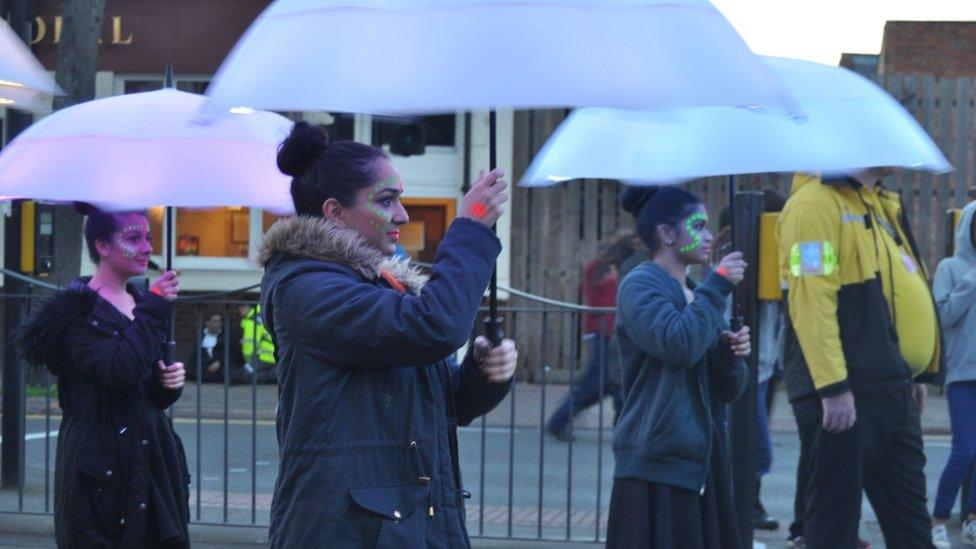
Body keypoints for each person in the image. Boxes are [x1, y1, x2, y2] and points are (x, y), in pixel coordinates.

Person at [259, 122, 519, 548]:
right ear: (334, 212)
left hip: (407, 525)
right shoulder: (306, 289)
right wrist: (471, 226)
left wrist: (481, 374)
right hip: (348, 532)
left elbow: (441, 406)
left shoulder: (380, 286)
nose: (403, 214)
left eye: (399, 199)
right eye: (386, 200)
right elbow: (436, 326)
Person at [777, 170, 940, 549]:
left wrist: (916, 372)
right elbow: (812, 298)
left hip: (889, 383)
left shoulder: (877, 203)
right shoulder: (814, 205)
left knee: (912, 527)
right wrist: (833, 386)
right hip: (848, 389)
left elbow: (895, 294)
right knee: (833, 523)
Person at [20, 203, 189, 548]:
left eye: (148, 237)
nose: (146, 247)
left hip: (148, 459)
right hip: (101, 470)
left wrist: (166, 383)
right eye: (132, 238)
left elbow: (143, 386)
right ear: (102, 246)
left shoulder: (140, 302)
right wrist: (155, 307)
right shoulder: (78, 314)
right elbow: (118, 370)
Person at [606, 186, 752, 549]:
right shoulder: (640, 285)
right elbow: (678, 345)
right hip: (657, 463)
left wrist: (731, 353)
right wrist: (717, 285)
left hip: (701, 460)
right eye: (698, 226)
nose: (707, 236)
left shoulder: (695, 289)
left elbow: (730, 388)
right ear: (667, 233)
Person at [545, 232, 633, 441]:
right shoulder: (606, 270)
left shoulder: (604, 269)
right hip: (603, 332)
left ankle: (559, 422)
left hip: (604, 332)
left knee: (606, 384)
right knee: (597, 384)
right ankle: (557, 422)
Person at [931, 200, 976, 547]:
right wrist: (972, 280)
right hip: (962, 373)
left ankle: (972, 519)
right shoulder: (950, 267)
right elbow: (943, 317)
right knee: (964, 449)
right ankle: (940, 520)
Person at [196, 313, 245, 383]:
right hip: (207, 367)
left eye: (219, 322)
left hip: (224, 366)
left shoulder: (228, 335)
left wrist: (220, 362)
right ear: (207, 323)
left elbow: (236, 354)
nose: (218, 324)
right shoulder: (201, 336)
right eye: (214, 322)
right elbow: (197, 355)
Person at [239, 304, 276, 383]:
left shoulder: (252, 319)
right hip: (275, 356)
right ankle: (275, 373)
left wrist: (248, 360)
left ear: (247, 306)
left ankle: (275, 375)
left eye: (241, 307)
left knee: (245, 374)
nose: (239, 310)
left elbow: (250, 345)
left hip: (263, 357)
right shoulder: (264, 313)